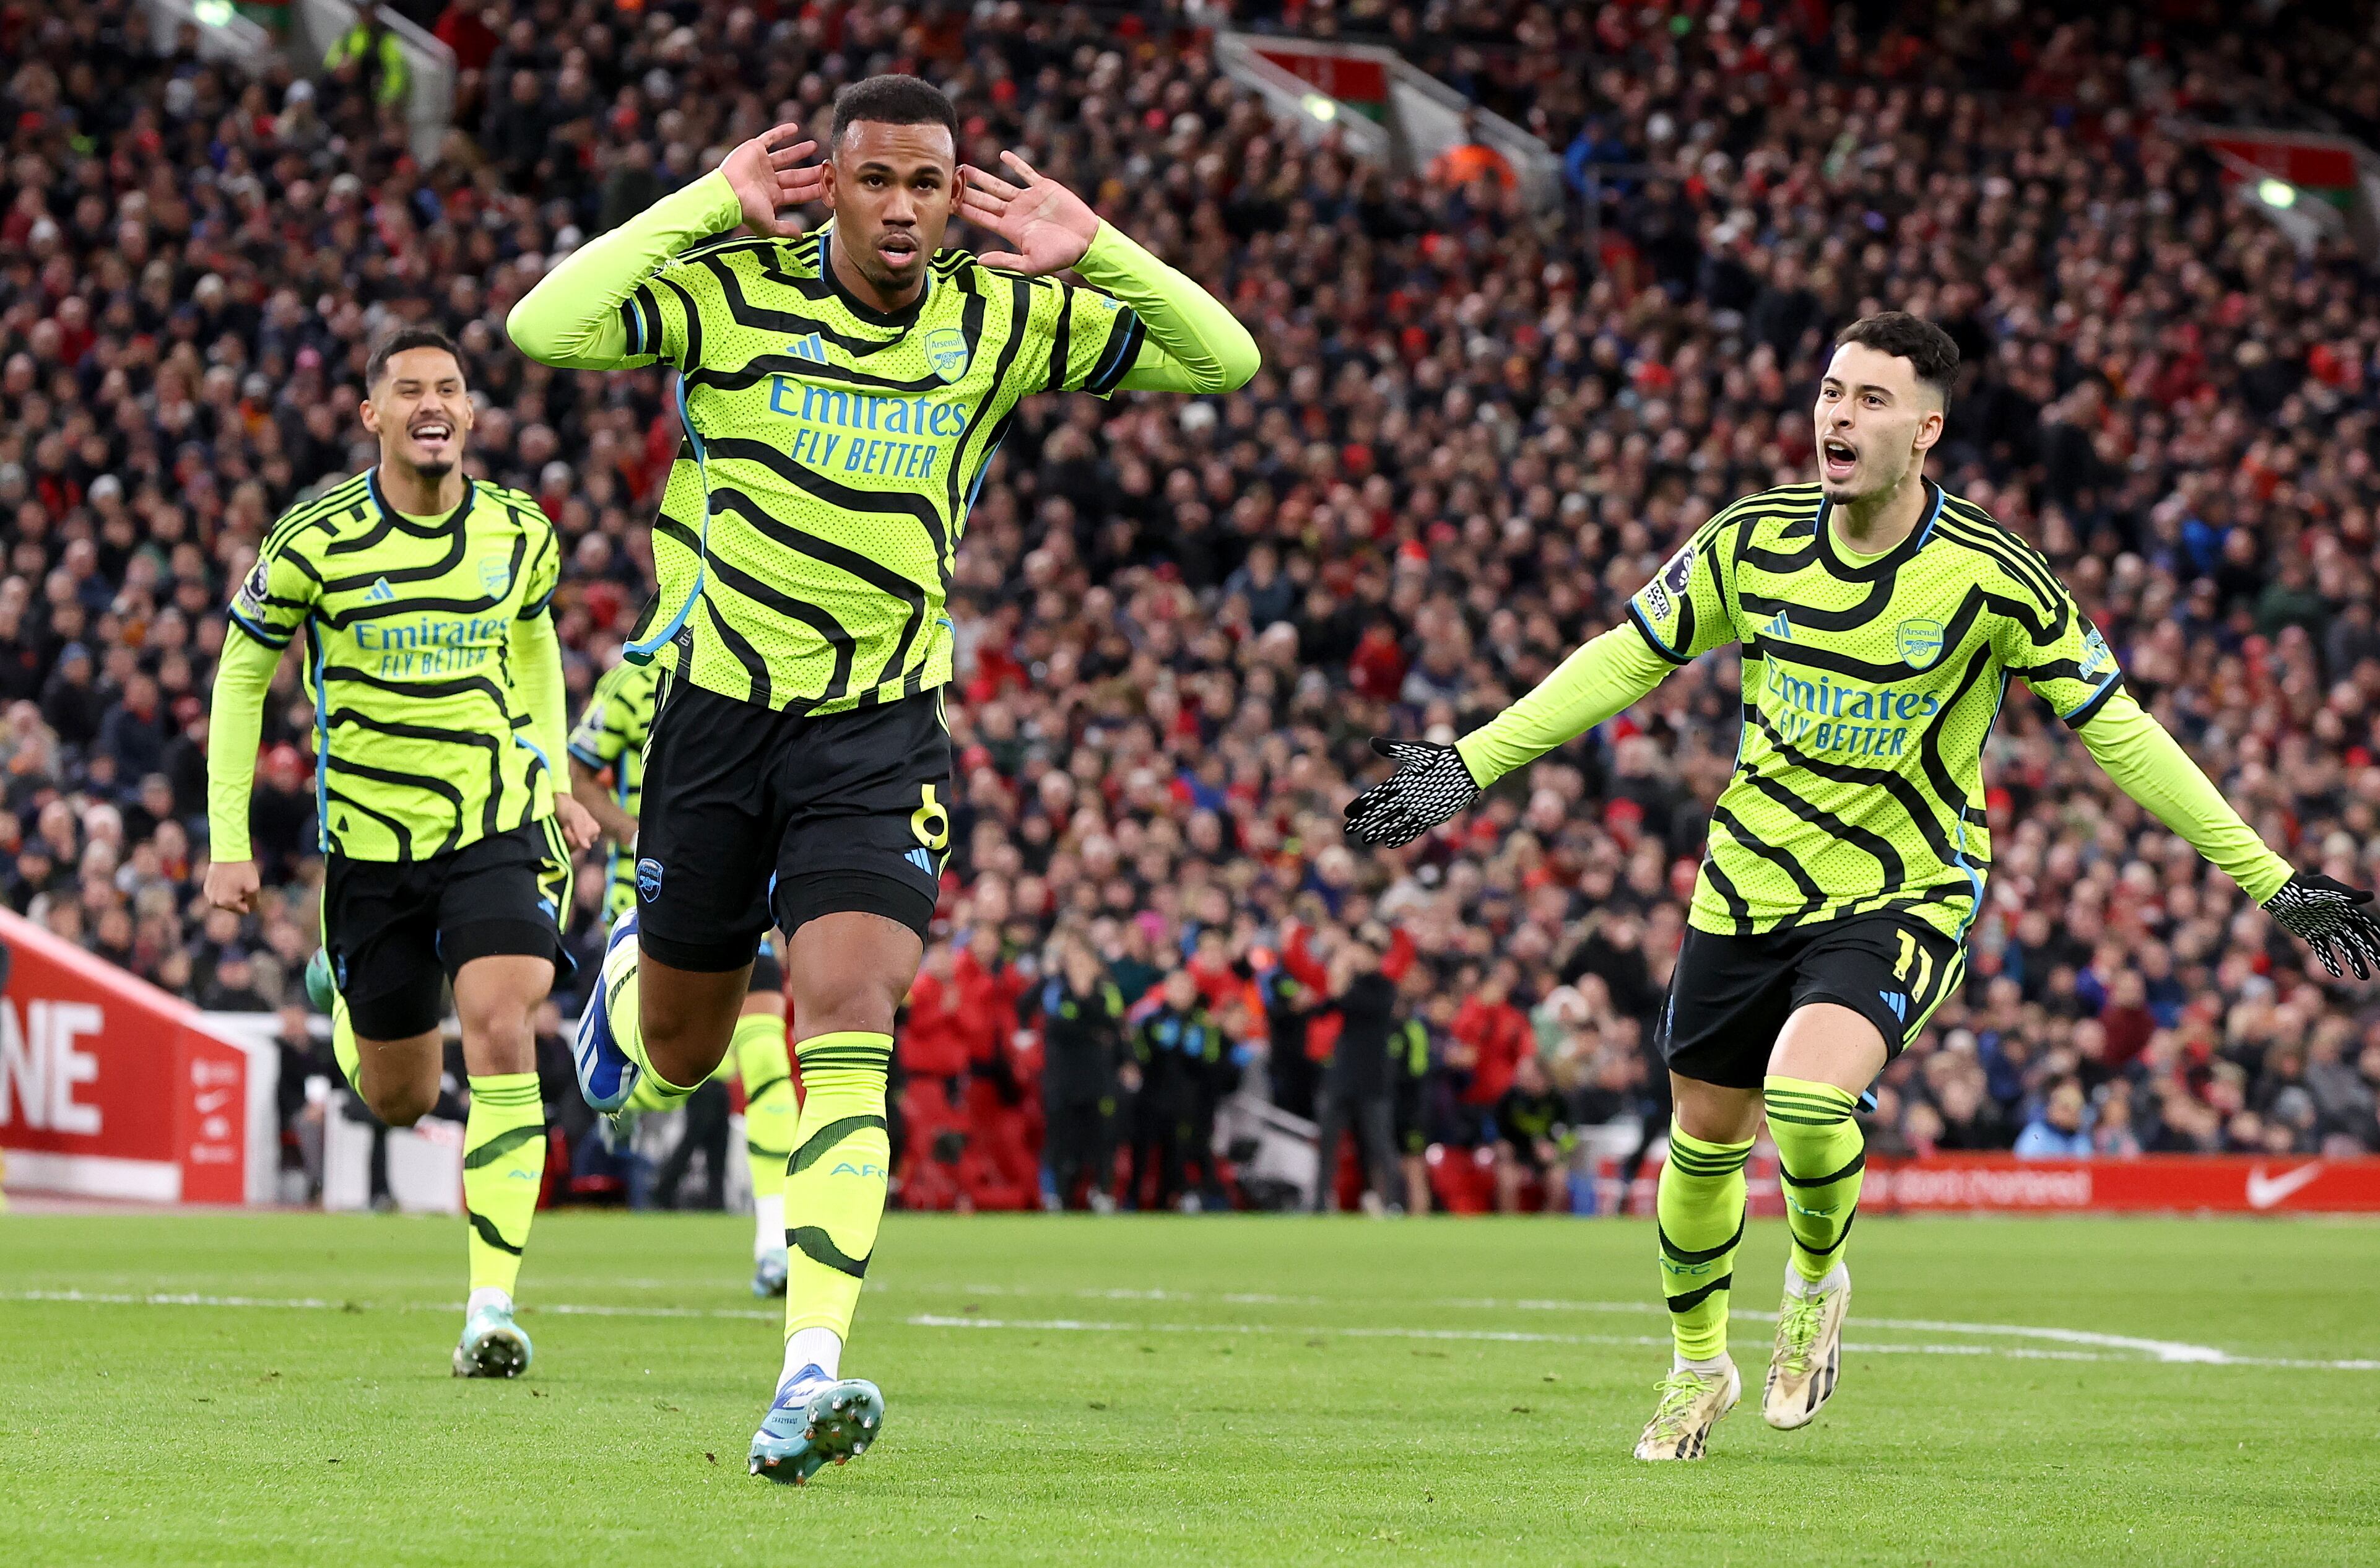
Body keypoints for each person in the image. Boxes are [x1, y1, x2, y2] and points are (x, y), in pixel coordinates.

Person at [1344, 311, 2380, 1461]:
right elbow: (1624, 653)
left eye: (1868, 400)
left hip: (1902, 887)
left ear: (1924, 431)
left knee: (1802, 1096)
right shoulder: (1750, 541)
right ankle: (1698, 1367)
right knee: (1696, 1142)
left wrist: (2274, 882)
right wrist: (1474, 759)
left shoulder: (1989, 575)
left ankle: (1813, 1287)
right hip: (1744, 883)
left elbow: (2118, 732)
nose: (1836, 416)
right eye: (1830, 392)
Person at [506, 72, 1257, 1480]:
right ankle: (624, 980)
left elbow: (1227, 361)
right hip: (718, 725)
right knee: (675, 1052)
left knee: (849, 1007)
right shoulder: (732, 297)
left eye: (928, 183)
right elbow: (540, 325)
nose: (904, 209)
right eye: (876, 181)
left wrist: (1100, 249)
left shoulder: (999, 317)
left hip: (880, 733)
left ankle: (810, 1370)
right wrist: (696, 208)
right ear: (830, 186)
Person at [205, 326, 597, 1379]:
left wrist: (554, 775)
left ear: (470, 414)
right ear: (372, 415)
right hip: (371, 852)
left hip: (494, 820)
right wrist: (228, 842)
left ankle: (490, 1306)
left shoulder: (520, 531)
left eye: (451, 389)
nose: (434, 403)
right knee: (401, 1097)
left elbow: (535, 641)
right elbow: (244, 675)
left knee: (504, 1023)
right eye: (410, 389)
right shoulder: (314, 537)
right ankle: (347, 991)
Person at [567, 591, 797, 1298]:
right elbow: (576, 771)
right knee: (673, 1077)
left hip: (744, 897)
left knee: (764, 1057)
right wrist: (636, 834)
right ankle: (629, 1095)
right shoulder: (635, 676)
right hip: (650, 897)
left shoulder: (763, 671)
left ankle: (773, 1241)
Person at [1310, 930, 1400, 1214]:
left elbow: (1355, 1004)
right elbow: (1324, 1009)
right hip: (1342, 1077)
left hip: (1372, 1079)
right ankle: (1320, 1202)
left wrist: (1341, 977)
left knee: (1380, 1145)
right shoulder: (1351, 985)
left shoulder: (1383, 987)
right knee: (1327, 1144)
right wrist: (1337, 977)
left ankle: (1393, 1201)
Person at [1036, 936, 1127, 1212]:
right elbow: (1054, 1027)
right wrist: (1090, 1029)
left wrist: (1084, 1006)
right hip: (1063, 1076)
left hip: (1098, 1077)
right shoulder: (1056, 990)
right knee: (1062, 1139)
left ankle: (1102, 1191)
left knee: (1102, 1139)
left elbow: (1113, 1026)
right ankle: (1059, 1195)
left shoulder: (1107, 991)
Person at [1493, 1052, 1570, 1213]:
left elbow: (1571, 1135)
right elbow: (1495, 1128)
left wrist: (1555, 1150)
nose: (1522, 1081)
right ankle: (1510, 1225)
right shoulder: (1510, 1098)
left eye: (1529, 1077)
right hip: (1516, 1156)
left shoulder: (1559, 1102)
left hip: (1546, 1160)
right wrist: (1501, 1144)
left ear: (1543, 1078)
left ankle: (1548, 1224)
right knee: (1507, 1181)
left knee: (1558, 1180)